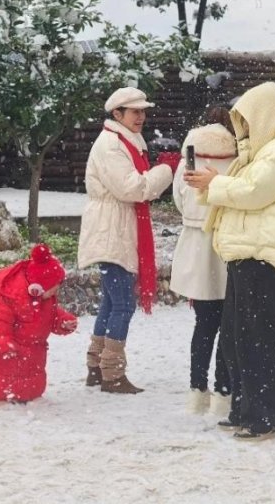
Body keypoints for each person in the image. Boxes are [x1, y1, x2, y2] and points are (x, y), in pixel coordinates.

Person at [184, 81, 275, 441]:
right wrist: (213, 184)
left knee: (260, 339)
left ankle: (264, 417)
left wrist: (214, 184)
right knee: (237, 337)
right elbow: (244, 191)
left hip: (265, 257)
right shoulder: (260, 152)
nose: (242, 128)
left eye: (246, 120)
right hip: (247, 253)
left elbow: (255, 192)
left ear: (263, 117)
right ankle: (244, 409)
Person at [77, 87, 177, 395]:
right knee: (122, 304)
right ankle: (112, 373)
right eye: (135, 112)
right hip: (112, 231)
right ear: (117, 114)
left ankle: (97, 366)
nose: (141, 117)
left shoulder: (125, 141)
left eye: (143, 111)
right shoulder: (112, 145)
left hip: (115, 229)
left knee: (111, 302)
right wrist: (166, 169)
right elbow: (133, 189)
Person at [170, 106, 238, 416]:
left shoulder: (189, 157)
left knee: (203, 324)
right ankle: (224, 392)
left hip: (196, 246)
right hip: (226, 243)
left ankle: (197, 391)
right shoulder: (236, 159)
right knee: (227, 326)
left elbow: (178, 198)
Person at [0, 243, 78, 402]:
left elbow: (50, 315)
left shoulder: (45, 297)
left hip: (32, 360)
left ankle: (20, 396)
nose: (56, 291)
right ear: (37, 288)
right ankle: (6, 398)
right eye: (53, 287)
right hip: (4, 361)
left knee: (28, 391)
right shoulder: (9, 296)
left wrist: (62, 322)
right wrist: (3, 342)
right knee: (4, 392)